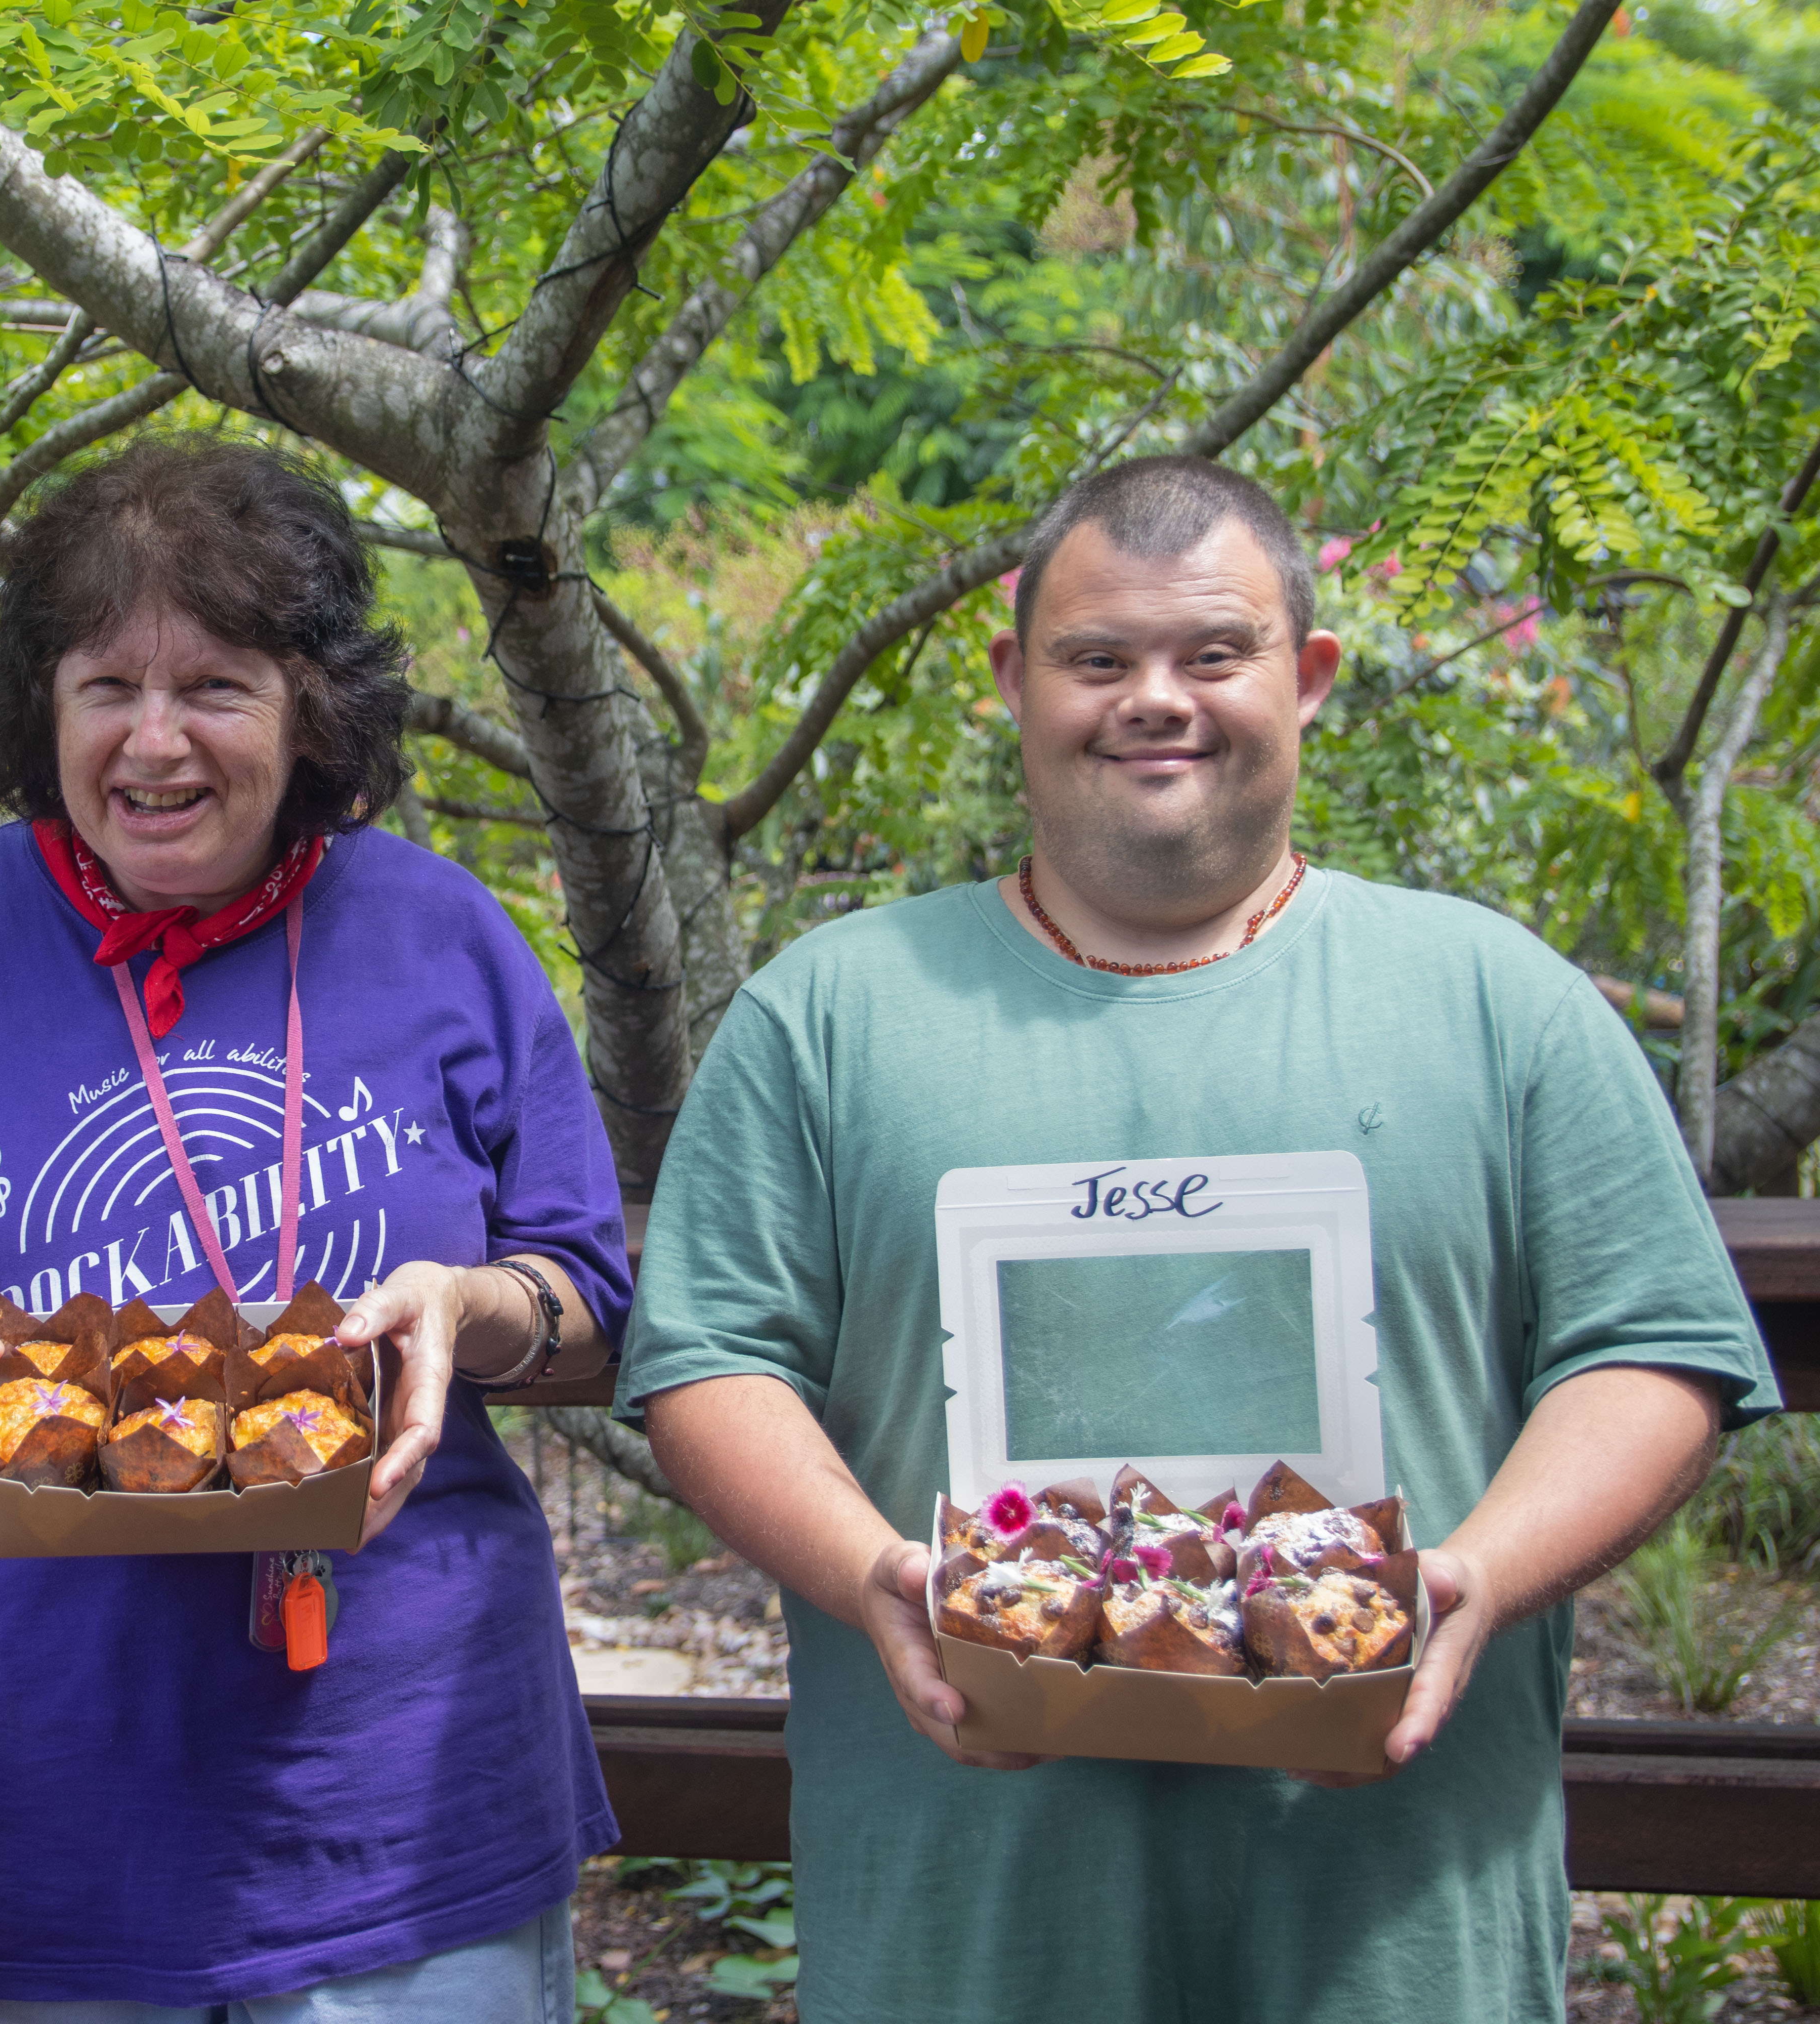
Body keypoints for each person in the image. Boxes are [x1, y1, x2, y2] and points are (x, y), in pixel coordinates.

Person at [616, 455, 1780, 2021]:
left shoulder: (1501, 1003)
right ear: (1012, 684)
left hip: (1396, 1921)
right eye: (1098, 659)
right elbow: (708, 1360)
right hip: (970, 1923)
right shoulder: (829, 1017)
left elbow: (1652, 1350)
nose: (1153, 700)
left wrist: (1480, 1581)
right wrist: (871, 1575)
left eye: (1210, 656)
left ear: (1305, 680)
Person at [0, 435, 631, 2021]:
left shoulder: (440, 932)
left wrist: (469, 1311)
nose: (157, 741)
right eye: (108, 688)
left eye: (217, 685)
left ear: (314, 712)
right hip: (40, 1800)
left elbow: (592, 1289)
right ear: (46, 711)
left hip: (402, 1793)